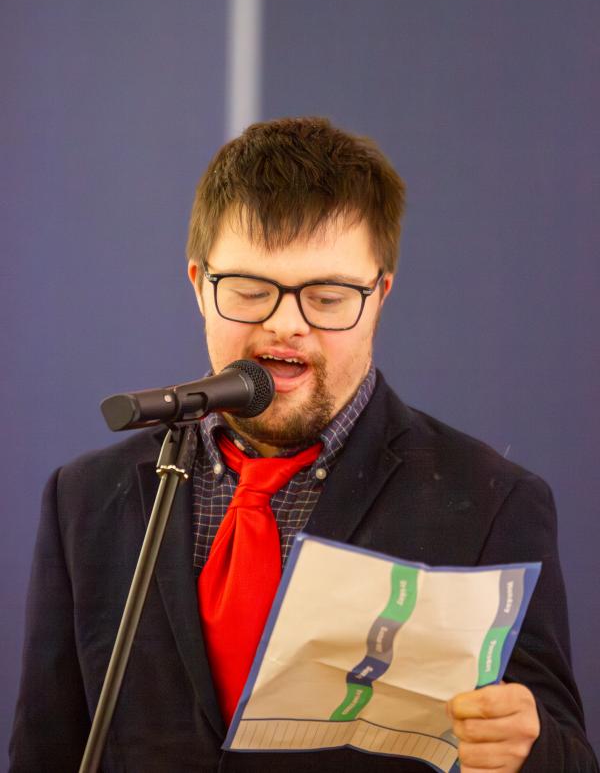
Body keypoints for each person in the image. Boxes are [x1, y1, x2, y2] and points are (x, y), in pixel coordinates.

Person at [9, 117, 598, 773]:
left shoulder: (491, 503)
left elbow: (564, 753)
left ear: (380, 297)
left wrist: (529, 747)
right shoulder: (85, 499)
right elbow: (46, 748)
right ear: (199, 284)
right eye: (251, 291)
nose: (285, 324)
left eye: (327, 296)